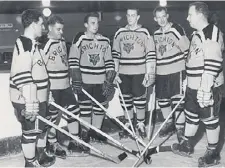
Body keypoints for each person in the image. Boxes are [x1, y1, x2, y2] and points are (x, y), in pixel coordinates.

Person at [171, 2, 224, 167]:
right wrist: (187, 80)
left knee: (209, 119)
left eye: (190, 14)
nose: (187, 18)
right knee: (191, 115)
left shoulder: (212, 33)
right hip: (193, 85)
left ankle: (213, 153)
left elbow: (212, 63)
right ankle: (186, 144)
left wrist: (206, 88)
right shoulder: (196, 34)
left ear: (200, 15)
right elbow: (193, 58)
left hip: (207, 86)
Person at [9, 9, 55, 167]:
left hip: (39, 97)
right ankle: (31, 163)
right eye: (41, 24)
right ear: (34, 24)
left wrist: (47, 94)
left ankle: (40, 155)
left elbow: (39, 72)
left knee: (42, 127)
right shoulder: (25, 44)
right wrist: (30, 102)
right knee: (30, 132)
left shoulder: (34, 44)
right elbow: (20, 75)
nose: (43, 28)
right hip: (28, 99)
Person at [39, 15, 85, 157]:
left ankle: (74, 140)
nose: (61, 32)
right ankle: (52, 143)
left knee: (74, 110)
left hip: (65, 85)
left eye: (62, 29)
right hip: (52, 86)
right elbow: (40, 69)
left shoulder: (62, 41)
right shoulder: (43, 44)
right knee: (52, 117)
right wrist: (46, 91)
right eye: (58, 29)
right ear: (50, 28)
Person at [68, 12, 116, 143]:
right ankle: (85, 132)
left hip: (100, 81)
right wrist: (76, 79)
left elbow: (109, 62)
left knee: (100, 107)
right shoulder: (80, 39)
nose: (96, 26)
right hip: (85, 81)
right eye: (92, 23)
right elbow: (73, 60)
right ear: (86, 25)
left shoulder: (104, 40)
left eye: (97, 23)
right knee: (85, 108)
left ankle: (96, 131)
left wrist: (109, 80)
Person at [112, 8, 156, 139]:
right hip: (124, 72)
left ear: (138, 17)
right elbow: (115, 55)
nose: (131, 18)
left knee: (140, 99)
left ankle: (141, 124)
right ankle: (129, 123)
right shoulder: (119, 33)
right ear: (126, 17)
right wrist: (115, 72)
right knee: (125, 99)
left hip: (139, 72)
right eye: (128, 15)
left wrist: (150, 73)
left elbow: (150, 55)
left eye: (133, 15)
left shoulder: (145, 32)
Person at [152, 6, 190, 141]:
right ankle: (169, 124)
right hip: (161, 72)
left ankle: (180, 129)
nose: (162, 20)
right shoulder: (155, 34)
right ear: (155, 19)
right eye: (159, 17)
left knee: (178, 101)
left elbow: (187, 50)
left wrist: (188, 69)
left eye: (164, 16)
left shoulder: (176, 29)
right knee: (162, 101)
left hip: (176, 70)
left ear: (167, 16)